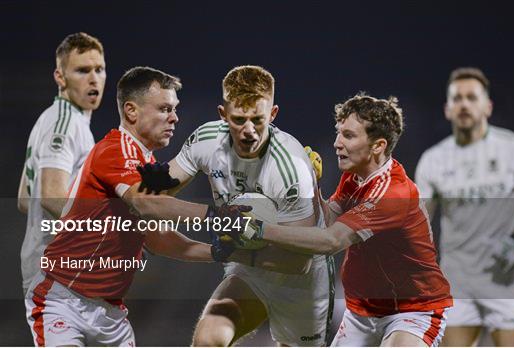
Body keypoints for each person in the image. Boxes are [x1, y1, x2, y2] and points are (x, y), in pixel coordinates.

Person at [24, 66, 236, 347]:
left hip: (111, 313)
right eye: (164, 109)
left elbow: (159, 240)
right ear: (132, 111)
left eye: (174, 109)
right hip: (64, 300)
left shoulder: (143, 163)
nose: (174, 118)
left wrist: (219, 253)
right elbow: (146, 203)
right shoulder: (116, 149)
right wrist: (215, 216)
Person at [226, 93, 454, 347]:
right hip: (362, 310)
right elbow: (327, 218)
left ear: (378, 145)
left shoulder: (393, 194)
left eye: (348, 135)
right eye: (338, 132)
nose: (337, 143)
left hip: (412, 310)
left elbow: (330, 241)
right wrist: (311, 186)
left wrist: (258, 229)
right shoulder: (356, 175)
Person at [147, 65, 334, 346]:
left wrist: (240, 242)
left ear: (273, 114)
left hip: (301, 284)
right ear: (223, 115)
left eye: (258, 120)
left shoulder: (291, 167)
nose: (249, 131)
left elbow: (300, 262)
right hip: (250, 273)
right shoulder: (207, 142)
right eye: (238, 119)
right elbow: (152, 199)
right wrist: (214, 217)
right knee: (208, 341)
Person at [415, 67, 514, 346]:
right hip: (456, 280)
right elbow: (417, 221)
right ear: (447, 109)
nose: (464, 104)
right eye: (457, 98)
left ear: (488, 106)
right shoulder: (433, 160)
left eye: (472, 97)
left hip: (504, 279)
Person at [17, 32, 106, 294]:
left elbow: (25, 198)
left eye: (99, 69)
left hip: (48, 269)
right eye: (82, 70)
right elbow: (50, 197)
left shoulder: (49, 118)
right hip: (59, 273)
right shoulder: (66, 125)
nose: (93, 78)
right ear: (60, 77)